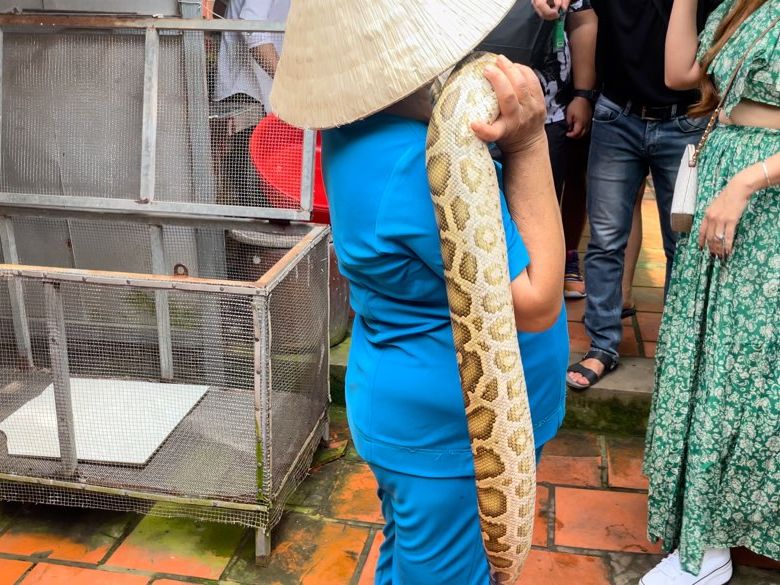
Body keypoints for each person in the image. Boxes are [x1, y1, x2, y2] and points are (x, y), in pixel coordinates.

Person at [270, 1, 569, 582]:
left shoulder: (363, 126)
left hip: (420, 412)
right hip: (452, 435)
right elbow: (536, 301)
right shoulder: (413, 158)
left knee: (409, 560)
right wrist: (530, 144)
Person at [641, 0, 780, 582]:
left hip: (763, 195)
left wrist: (749, 181)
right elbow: (679, 74)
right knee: (709, 355)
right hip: (725, 181)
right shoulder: (743, 5)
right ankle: (707, 532)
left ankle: (717, 541)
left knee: (745, 365)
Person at [535, 0, 721, 390]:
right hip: (617, 115)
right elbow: (580, 13)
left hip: (687, 120)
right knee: (605, 240)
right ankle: (602, 346)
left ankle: (676, 350)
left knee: (682, 245)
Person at [535, 2, 597, 300]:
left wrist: (583, 94)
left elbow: (583, 21)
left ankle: (559, 262)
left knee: (549, 194)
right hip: (476, 99)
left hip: (550, 107)